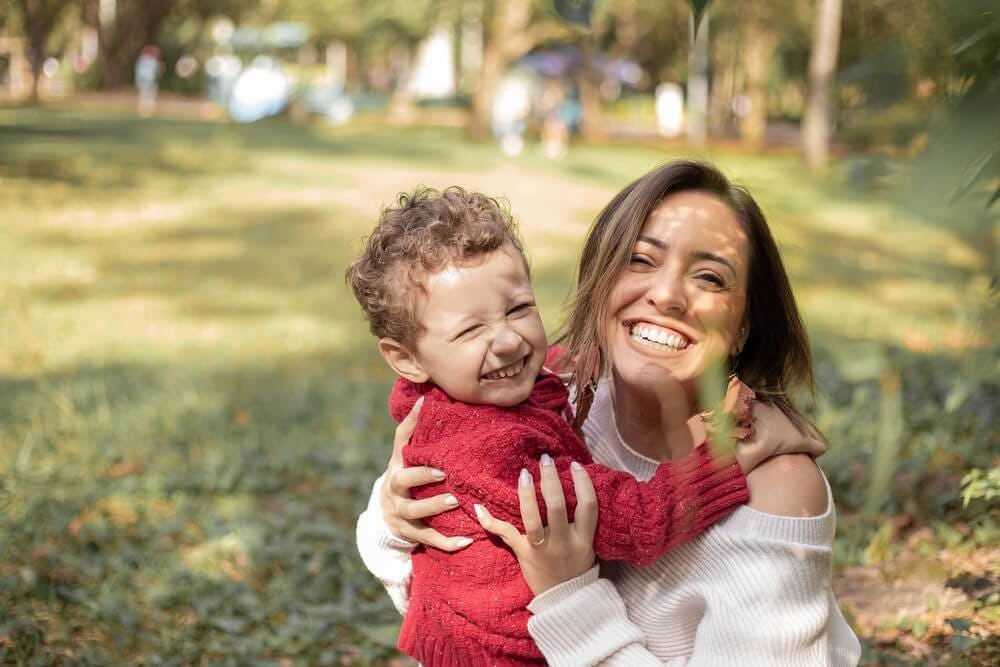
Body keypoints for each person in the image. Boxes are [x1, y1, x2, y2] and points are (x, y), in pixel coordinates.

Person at [357, 161, 863, 665]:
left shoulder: (777, 494)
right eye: (641, 260)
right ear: (601, 280)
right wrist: (392, 516)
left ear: (745, 324)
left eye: (710, 277)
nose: (666, 294)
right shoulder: (537, 397)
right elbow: (417, 564)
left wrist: (567, 597)